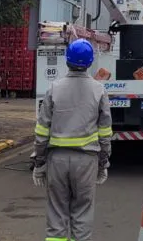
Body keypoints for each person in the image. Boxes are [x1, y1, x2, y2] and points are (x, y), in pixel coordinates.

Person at [33, 38, 112, 241]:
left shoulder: (54, 89)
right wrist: (103, 163)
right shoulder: (99, 90)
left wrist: (39, 163)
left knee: (57, 214)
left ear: (67, 61)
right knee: (83, 214)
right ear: (90, 62)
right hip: (87, 161)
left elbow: (42, 131)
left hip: (57, 160)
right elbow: (105, 134)